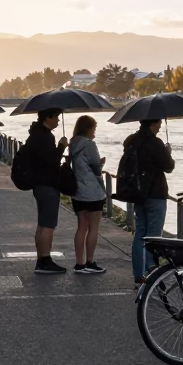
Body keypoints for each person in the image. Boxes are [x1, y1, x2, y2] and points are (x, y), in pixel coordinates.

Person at [123, 119, 174, 287]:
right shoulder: (155, 143)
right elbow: (168, 166)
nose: (160, 126)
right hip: (155, 194)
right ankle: (153, 274)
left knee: (140, 234)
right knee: (154, 236)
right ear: (152, 123)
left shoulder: (132, 140)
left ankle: (139, 276)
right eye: (158, 123)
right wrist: (168, 153)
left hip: (138, 194)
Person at [27, 108, 68, 275]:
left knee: (42, 223)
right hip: (46, 184)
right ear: (48, 118)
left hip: (39, 184)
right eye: (56, 117)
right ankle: (44, 260)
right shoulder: (45, 137)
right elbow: (51, 162)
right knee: (48, 225)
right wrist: (61, 147)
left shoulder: (35, 134)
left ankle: (42, 258)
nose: (58, 121)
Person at [69, 115, 107, 275]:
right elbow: (96, 169)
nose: (95, 132)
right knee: (93, 228)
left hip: (77, 191)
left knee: (81, 227)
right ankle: (90, 262)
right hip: (92, 192)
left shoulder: (73, 143)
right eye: (94, 129)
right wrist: (101, 163)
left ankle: (79, 264)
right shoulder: (89, 145)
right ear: (88, 128)